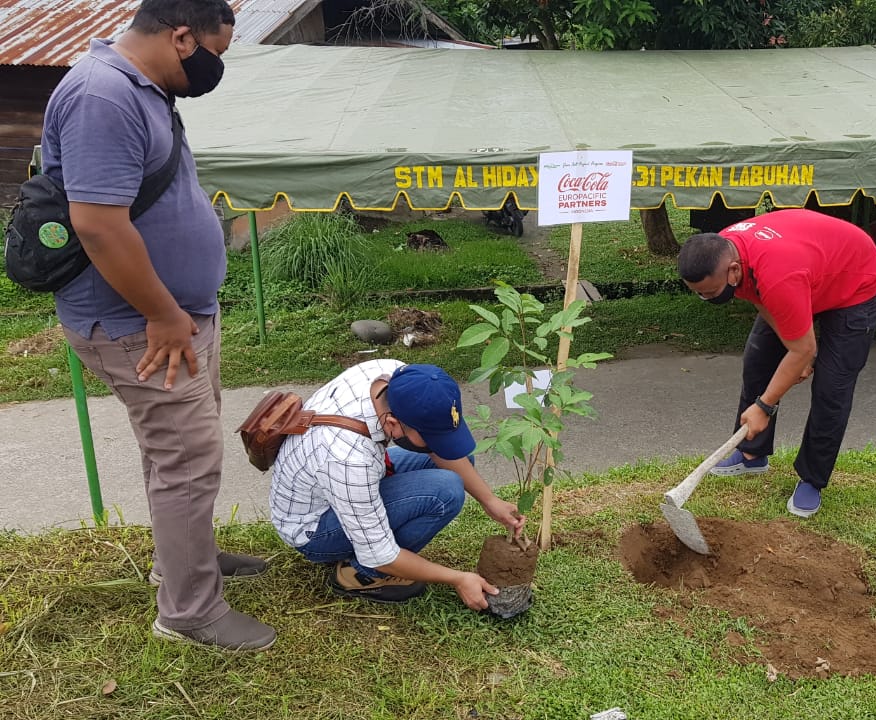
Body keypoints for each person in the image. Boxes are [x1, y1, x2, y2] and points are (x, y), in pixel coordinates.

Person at [45, 0, 274, 652]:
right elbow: (96, 224)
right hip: (139, 326)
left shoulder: (142, 92)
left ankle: (185, 560)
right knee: (185, 462)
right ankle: (189, 611)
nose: (214, 69)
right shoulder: (103, 96)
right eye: (215, 54)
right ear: (181, 37)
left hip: (175, 319)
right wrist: (164, 314)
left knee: (183, 458)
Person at [676, 209, 876, 518]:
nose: (705, 299)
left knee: (832, 387)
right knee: (758, 359)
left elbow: (799, 342)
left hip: (855, 282)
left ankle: (812, 479)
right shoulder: (728, 249)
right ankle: (752, 453)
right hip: (808, 271)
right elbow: (761, 298)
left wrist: (765, 405)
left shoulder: (777, 274)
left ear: (733, 271)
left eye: (709, 292)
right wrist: (797, 349)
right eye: (698, 293)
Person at [270, 361, 525, 609]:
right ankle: (360, 574)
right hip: (314, 529)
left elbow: (436, 446)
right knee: (445, 491)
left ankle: (365, 547)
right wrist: (458, 578)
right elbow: (380, 554)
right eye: (429, 436)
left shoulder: (394, 376)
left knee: (457, 460)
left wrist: (489, 501)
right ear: (392, 423)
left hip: (338, 483)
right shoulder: (348, 458)